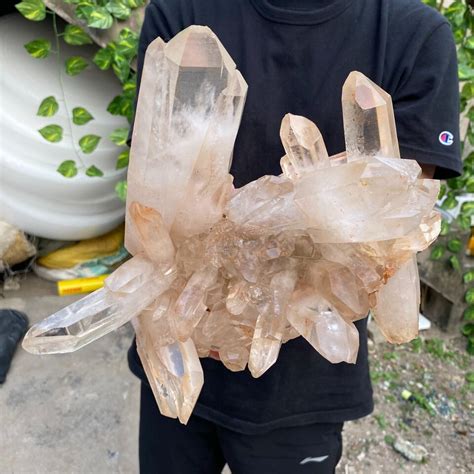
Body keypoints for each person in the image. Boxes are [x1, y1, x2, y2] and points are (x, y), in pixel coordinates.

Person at [127, 1, 462, 472]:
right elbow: (153, 204)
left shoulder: (415, 34)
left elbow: (389, 227)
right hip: (177, 357)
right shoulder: (182, 12)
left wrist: (264, 239)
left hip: (305, 388)